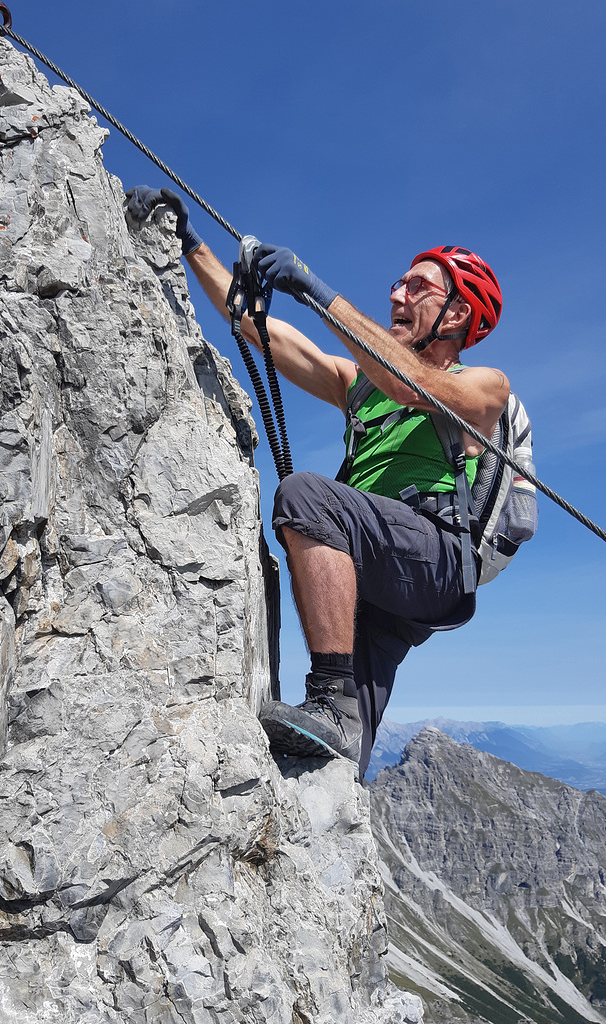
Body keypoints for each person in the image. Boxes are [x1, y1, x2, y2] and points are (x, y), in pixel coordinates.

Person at [126, 187, 508, 780]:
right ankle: (333, 747)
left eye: (417, 288)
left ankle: (329, 696)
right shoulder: (358, 383)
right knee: (337, 763)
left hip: (432, 556)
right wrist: (190, 245)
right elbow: (266, 334)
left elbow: (415, 388)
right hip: (373, 567)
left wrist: (317, 292)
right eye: (399, 284)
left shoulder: (483, 387)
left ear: (456, 315)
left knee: (305, 497)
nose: (396, 293)